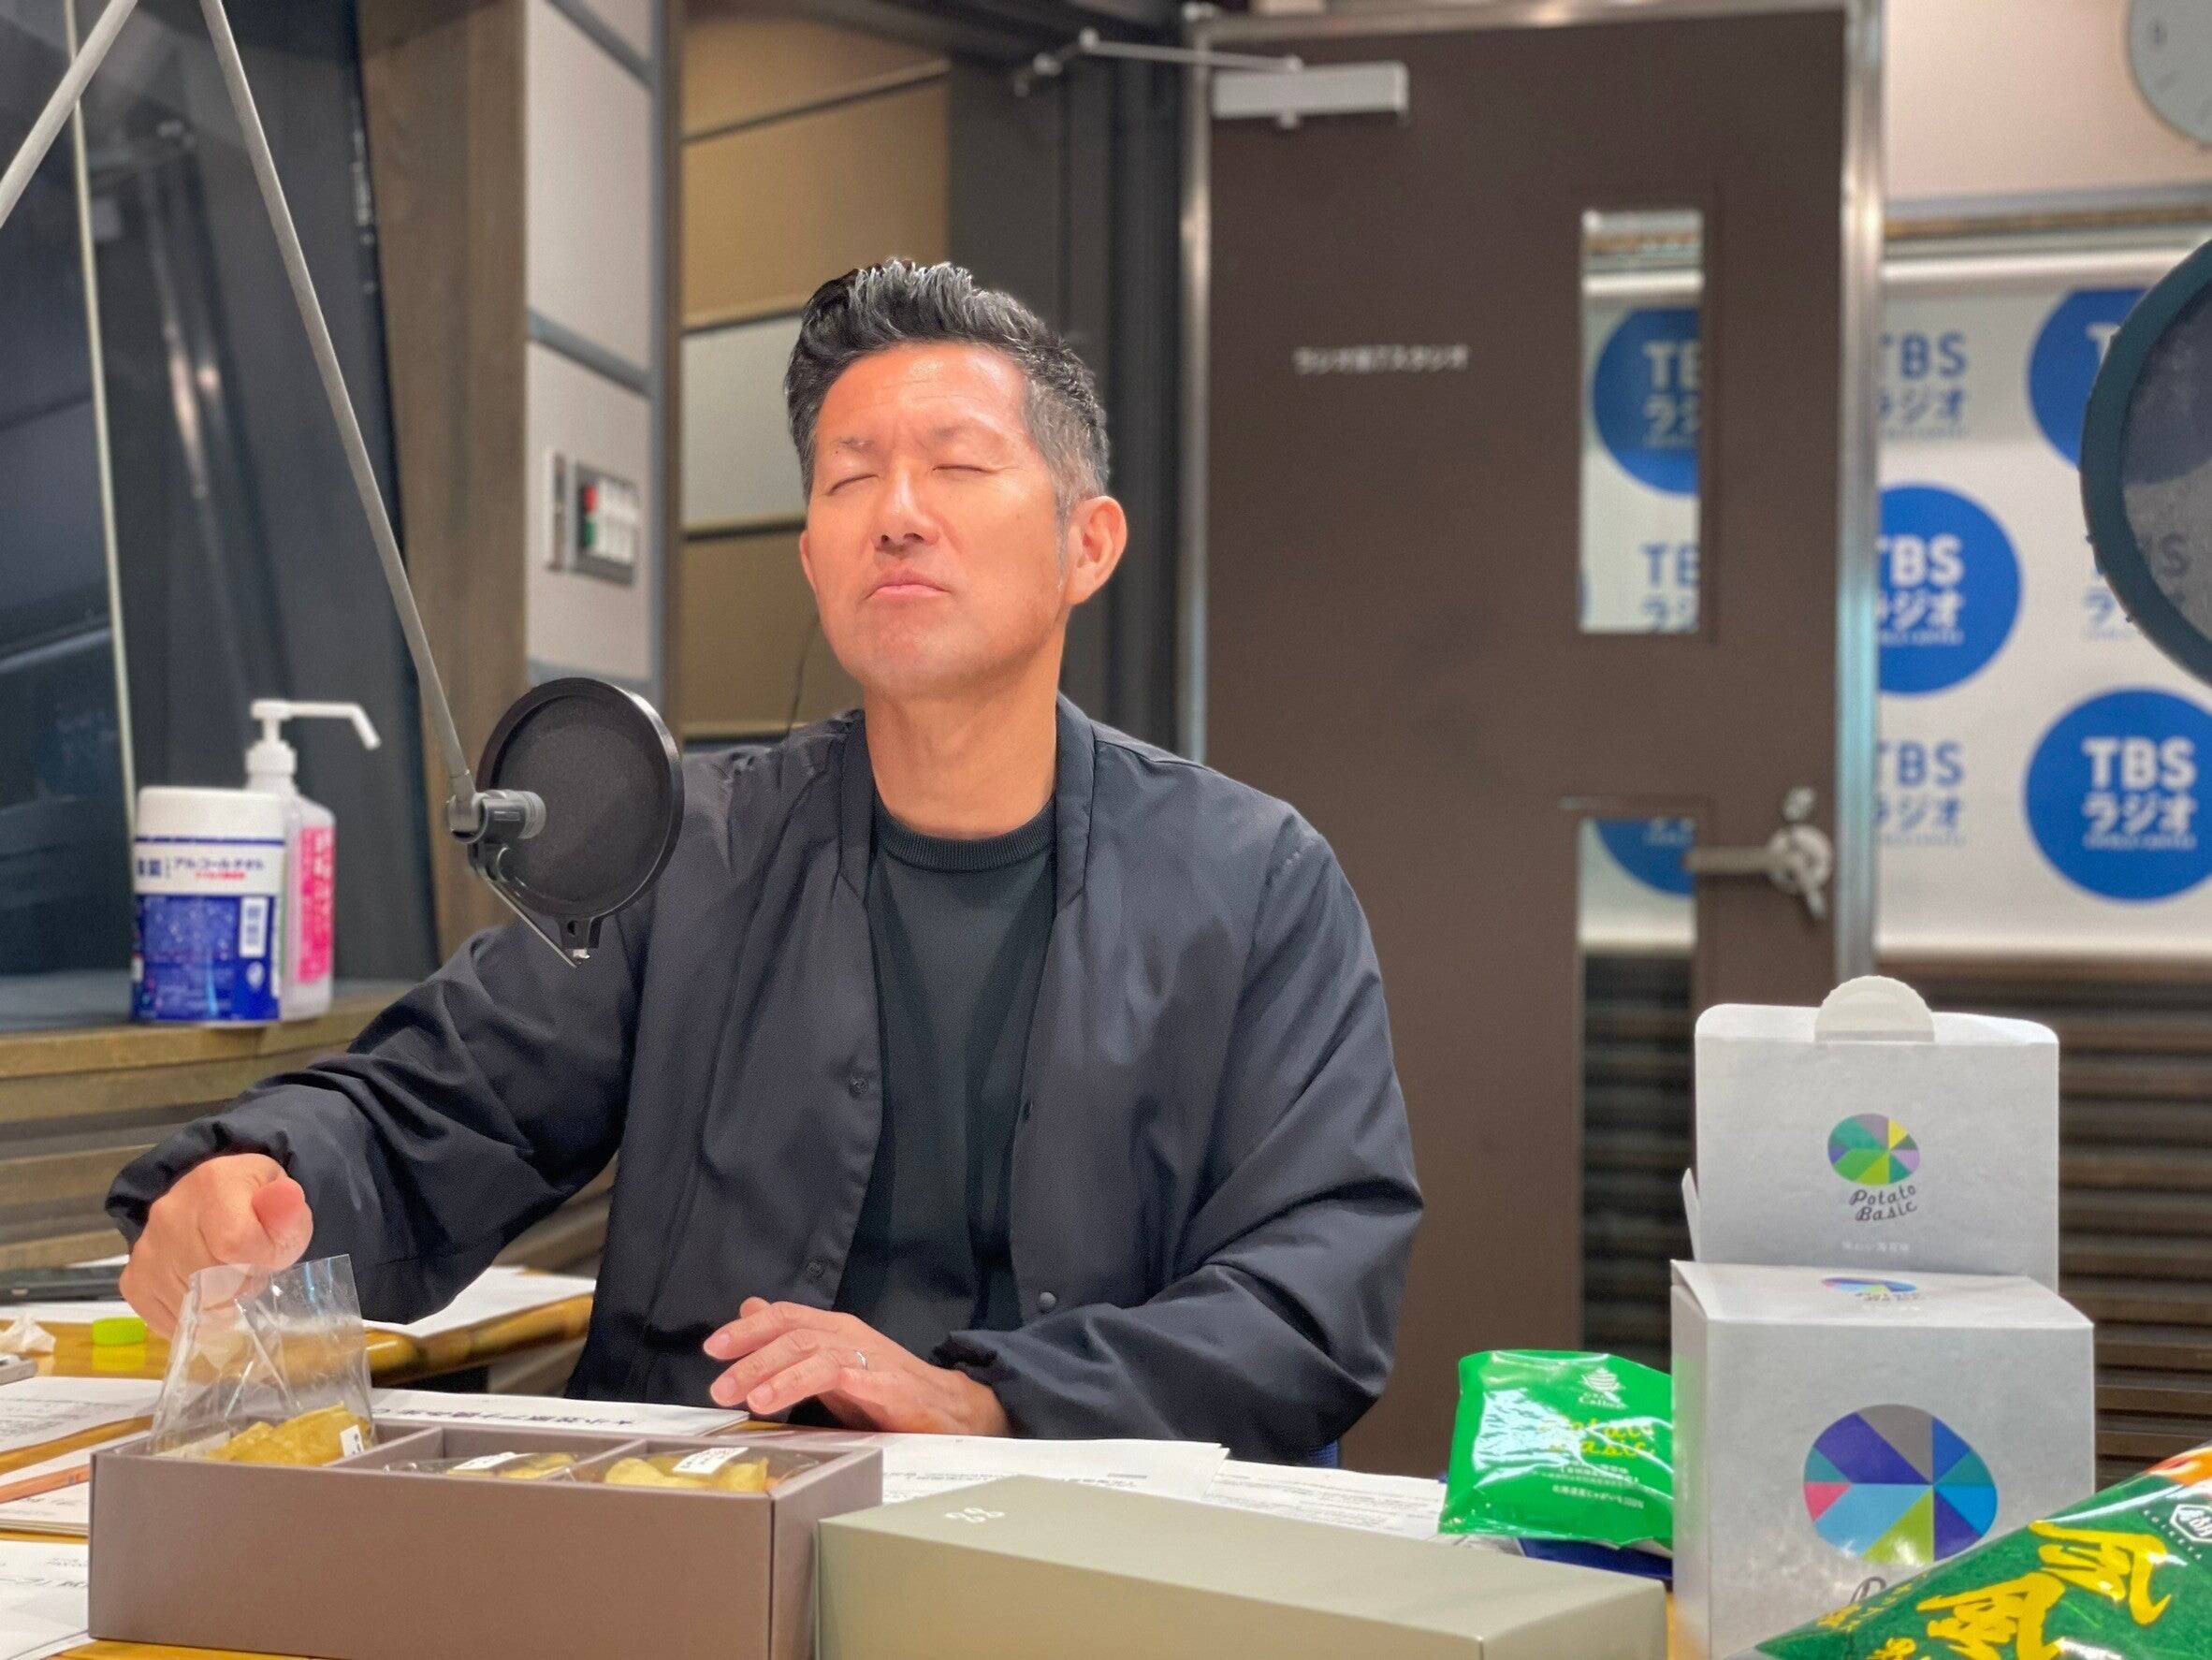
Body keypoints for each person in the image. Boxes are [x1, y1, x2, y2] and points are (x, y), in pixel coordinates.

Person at [108, 260, 1420, 1463]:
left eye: (957, 466)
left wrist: (992, 1400)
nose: (896, 514)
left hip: (1089, 1547)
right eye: (850, 480)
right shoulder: (687, 849)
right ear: (812, 557)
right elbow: (440, 1108)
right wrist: (261, 1180)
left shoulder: (1254, 880)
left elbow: (1312, 1286)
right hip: (709, 1521)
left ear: (1089, 544)